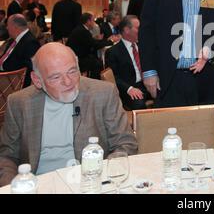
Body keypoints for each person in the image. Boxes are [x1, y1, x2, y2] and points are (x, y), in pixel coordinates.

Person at [0, 42, 138, 187]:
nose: (68, 82)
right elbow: (7, 156)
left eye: (72, 71)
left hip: (91, 182)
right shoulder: (19, 103)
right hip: (39, 184)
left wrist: (102, 177)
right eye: (56, 77)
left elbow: (126, 143)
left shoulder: (102, 93)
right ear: (37, 80)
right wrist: (13, 187)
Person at [106, 15, 151, 110]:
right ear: (126, 30)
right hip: (129, 88)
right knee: (139, 104)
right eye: (138, 28)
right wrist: (129, 89)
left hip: (148, 83)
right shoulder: (113, 52)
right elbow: (114, 78)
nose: (141, 30)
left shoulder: (143, 46)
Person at [66, 12, 117, 79]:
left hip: (77, 55)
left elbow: (93, 42)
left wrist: (107, 41)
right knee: (99, 64)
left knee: (97, 61)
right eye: (93, 20)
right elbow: (95, 45)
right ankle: (95, 82)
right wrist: (111, 41)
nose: (94, 23)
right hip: (78, 58)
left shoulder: (81, 28)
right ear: (88, 21)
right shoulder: (83, 31)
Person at [0, 14, 40, 87]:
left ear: (14, 27)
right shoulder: (14, 39)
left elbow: (30, 69)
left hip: (9, 80)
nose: (7, 28)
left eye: (8, 25)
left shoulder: (30, 42)